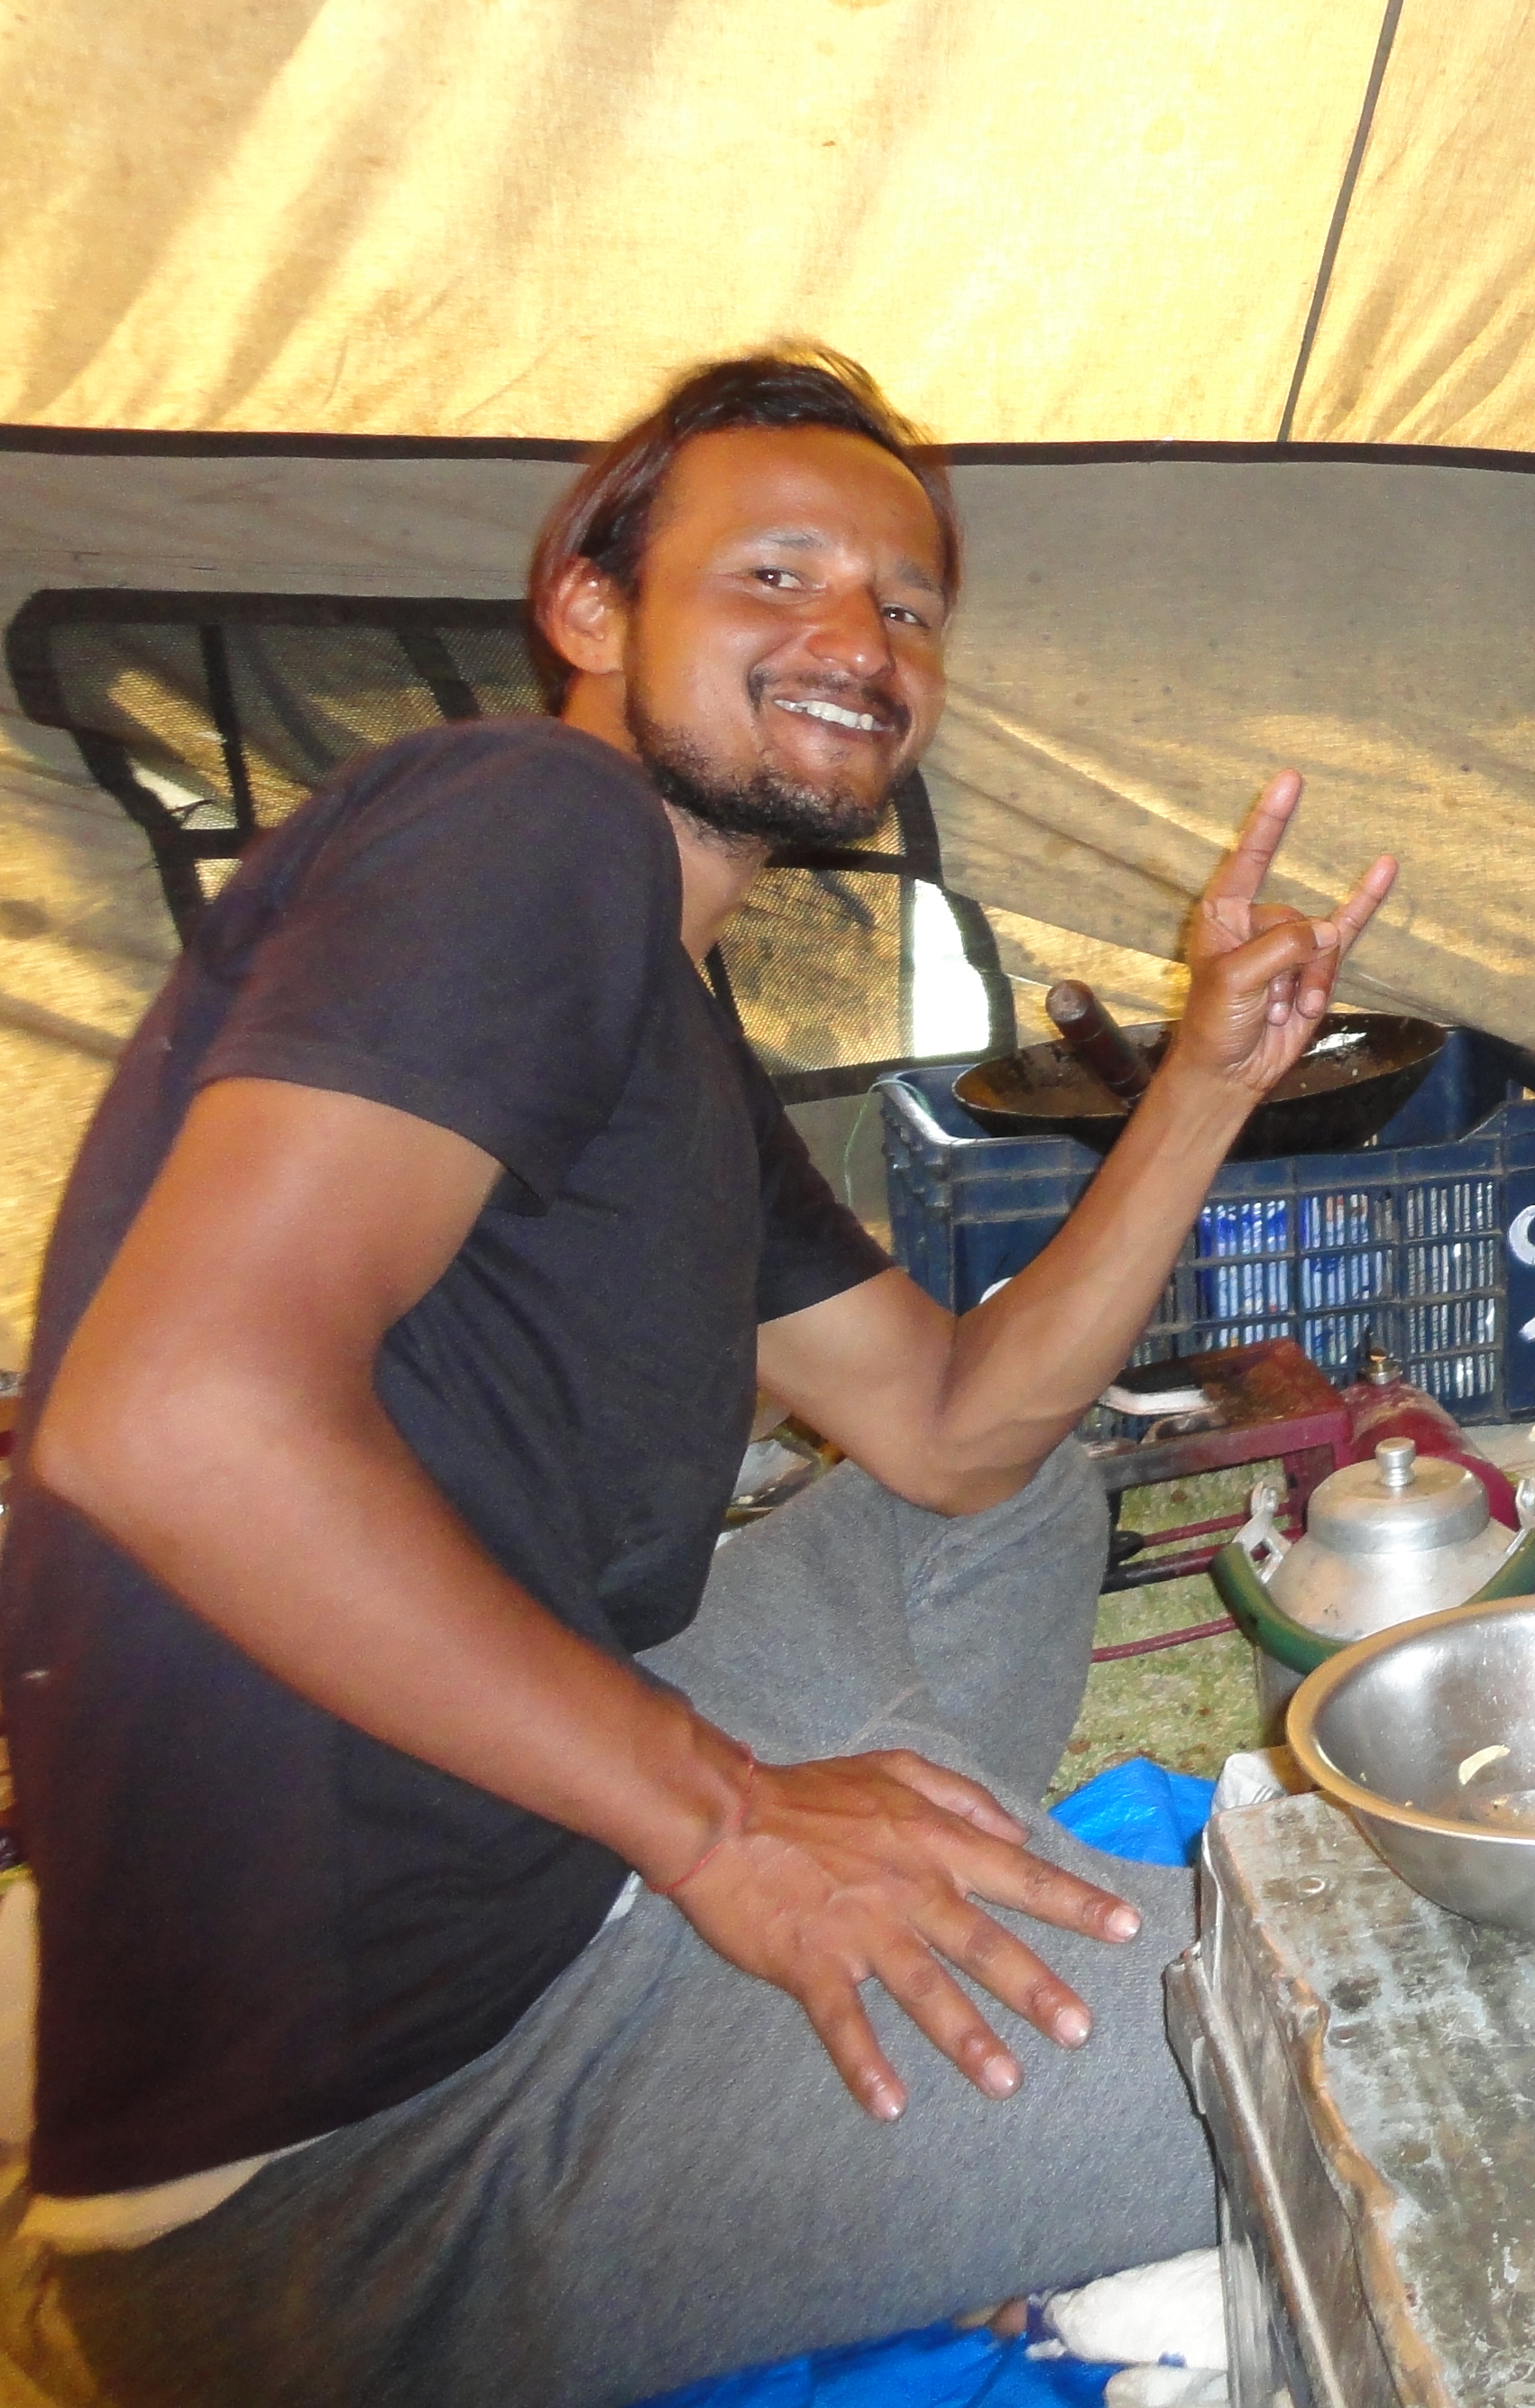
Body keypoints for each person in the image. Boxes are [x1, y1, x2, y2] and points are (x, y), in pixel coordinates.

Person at [3, 351, 1398, 2406]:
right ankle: (843, 1937)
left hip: (547, 1833)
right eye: (776, 574)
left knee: (1029, 1480)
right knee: (1376, 2055)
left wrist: (1202, 1082)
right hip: (373, 2150)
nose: (859, 639)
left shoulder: (662, 1009)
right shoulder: (530, 818)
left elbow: (955, 1431)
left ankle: (896, 1886)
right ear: (589, 606)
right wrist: (728, 1822)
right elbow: (170, 1414)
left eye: (905, 605)